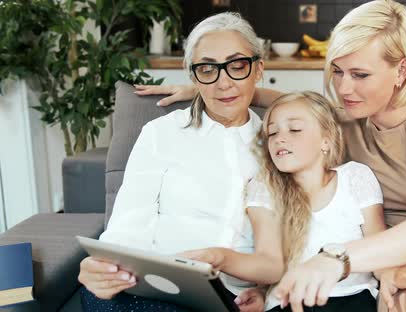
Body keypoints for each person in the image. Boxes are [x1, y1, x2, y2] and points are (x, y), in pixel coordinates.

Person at [135, 2, 406, 312]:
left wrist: (337, 259)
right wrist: (203, 86)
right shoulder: (343, 123)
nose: (344, 88)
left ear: (400, 71)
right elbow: (282, 104)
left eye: (360, 75)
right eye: (337, 72)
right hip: (388, 273)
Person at [77, 12, 283, 312]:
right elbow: (129, 220)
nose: (223, 83)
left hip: (232, 294)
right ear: (192, 75)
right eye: (207, 69)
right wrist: (103, 269)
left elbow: (294, 235)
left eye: (237, 66)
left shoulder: (280, 144)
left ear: (258, 68)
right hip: (147, 286)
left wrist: (269, 291)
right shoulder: (161, 133)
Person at [248, 91, 390, 311]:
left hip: (351, 299)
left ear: (326, 140)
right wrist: (256, 288)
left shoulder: (354, 177)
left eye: (295, 129)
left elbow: (380, 250)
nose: (280, 138)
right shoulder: (265, 187)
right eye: (272, 133)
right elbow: (267, 262)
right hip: (288, 303)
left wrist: (394, 275)